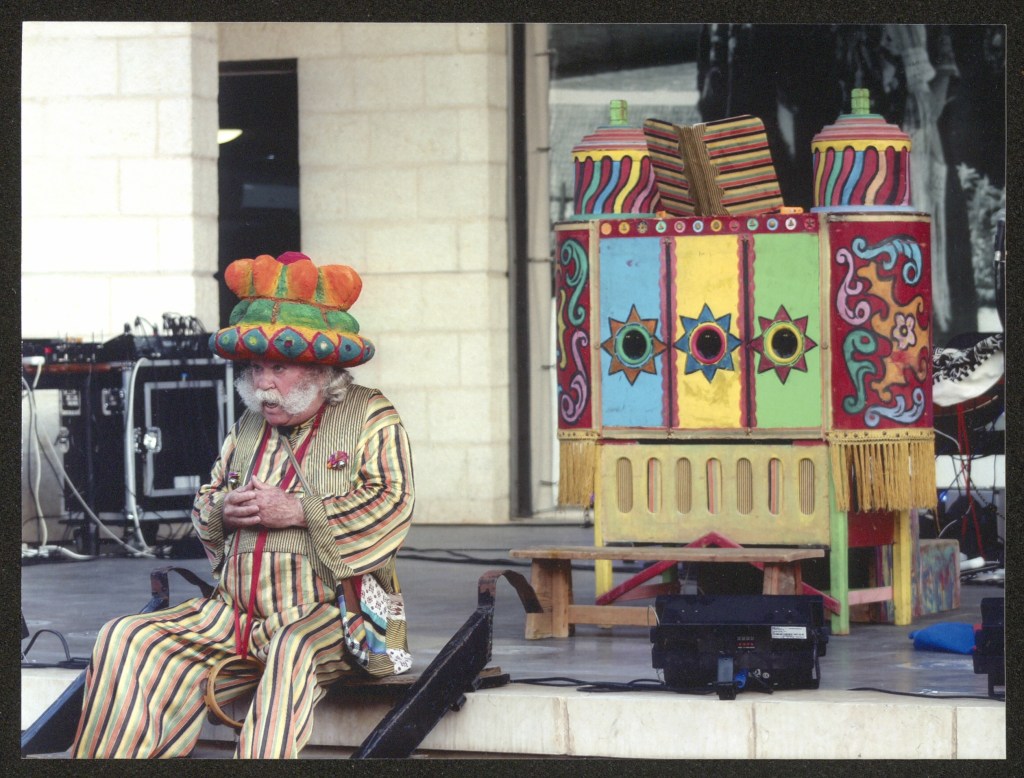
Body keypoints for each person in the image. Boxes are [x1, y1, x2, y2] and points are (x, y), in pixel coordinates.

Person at [72, 251, 415, 758]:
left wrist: (298, 510)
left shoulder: (372, 415)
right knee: (126, 637)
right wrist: (221, 510)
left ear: (321, 369)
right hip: (235, 615)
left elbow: (393, 503)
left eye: (278, 367)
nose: (261, 384)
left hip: (336, 617)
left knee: (292, 648)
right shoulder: (250, 425)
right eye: (255, 367)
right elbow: (207, 498)